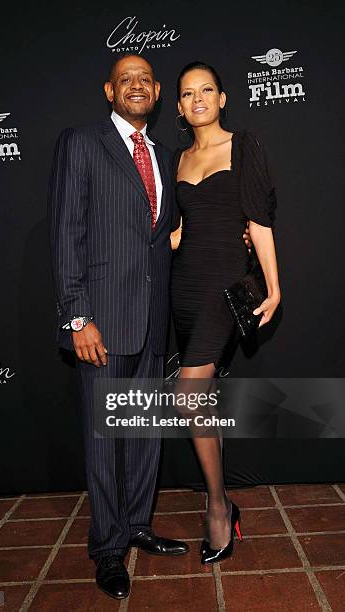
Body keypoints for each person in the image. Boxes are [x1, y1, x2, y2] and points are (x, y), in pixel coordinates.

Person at [47, 54, 191, 601]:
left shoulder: (162, 154)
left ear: (156, 92)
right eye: (125, 79)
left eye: (145, 80)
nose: (136, 86)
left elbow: (158, 234)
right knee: (105, 441)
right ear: (110, 91)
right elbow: (65, 235)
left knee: (145, 436)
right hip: (101, 324)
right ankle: (108, 548)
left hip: (152, 325)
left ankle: (136, 525)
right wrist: (77, 316)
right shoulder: (81, 142)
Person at [170, 61, 281, 564]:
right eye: (188, 92)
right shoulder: (176, 159)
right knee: (202, 399)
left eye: (206, 89)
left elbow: (259, 222)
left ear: (223, 98)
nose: (197, 98)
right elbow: (176, 231)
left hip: (225, 285)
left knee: (188, 393)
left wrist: (275, 288)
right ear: (178, 106)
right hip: (184, 288)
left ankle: (217, 505)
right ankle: (220, 498)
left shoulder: (245, 145)